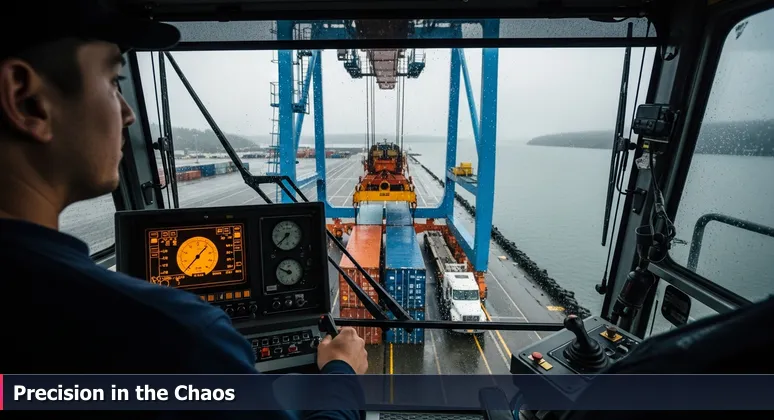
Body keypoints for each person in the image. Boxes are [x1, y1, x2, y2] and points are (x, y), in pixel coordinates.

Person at [0, 1, 368, 418]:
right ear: (27, 100)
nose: (128, 113)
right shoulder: (180, 336)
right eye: (113, 80)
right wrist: (341, 372)